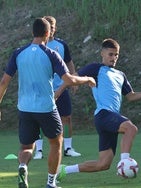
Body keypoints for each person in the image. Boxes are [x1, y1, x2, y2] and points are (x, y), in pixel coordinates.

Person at [0, 18, 96, 188]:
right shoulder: (51, 54)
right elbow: (69, 79)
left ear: (32, 33)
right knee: (56, 143)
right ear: (47, 33)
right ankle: (51, 182)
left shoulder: (18, 53)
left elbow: (4, 83)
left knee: (26, 147)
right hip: (46, 108)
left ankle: (22, 166)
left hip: (25, 108)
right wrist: (87, 78)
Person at [56, 38, 141, 181]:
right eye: (110, 54)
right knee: (131, 128)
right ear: (102, 53)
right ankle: (125, 161)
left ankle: (64, 170)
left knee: (103, 164)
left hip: (111, 118)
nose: (114, 58)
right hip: (103, 115)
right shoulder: (95, 68)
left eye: (116, 55)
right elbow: (71, 78)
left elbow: (131, 96)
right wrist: (57, 94)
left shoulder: (120, 75)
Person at [33, 16, 81, 160]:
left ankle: (68, 148)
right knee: (39, 119)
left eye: (53, 26)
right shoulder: (38, 46)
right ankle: (39, 151)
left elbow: (69, 62)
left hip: (61, 87)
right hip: (42, 89)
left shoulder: (61, 45)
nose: (52, 28)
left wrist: (73, 79)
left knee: (66, 117)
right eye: (49, 26)